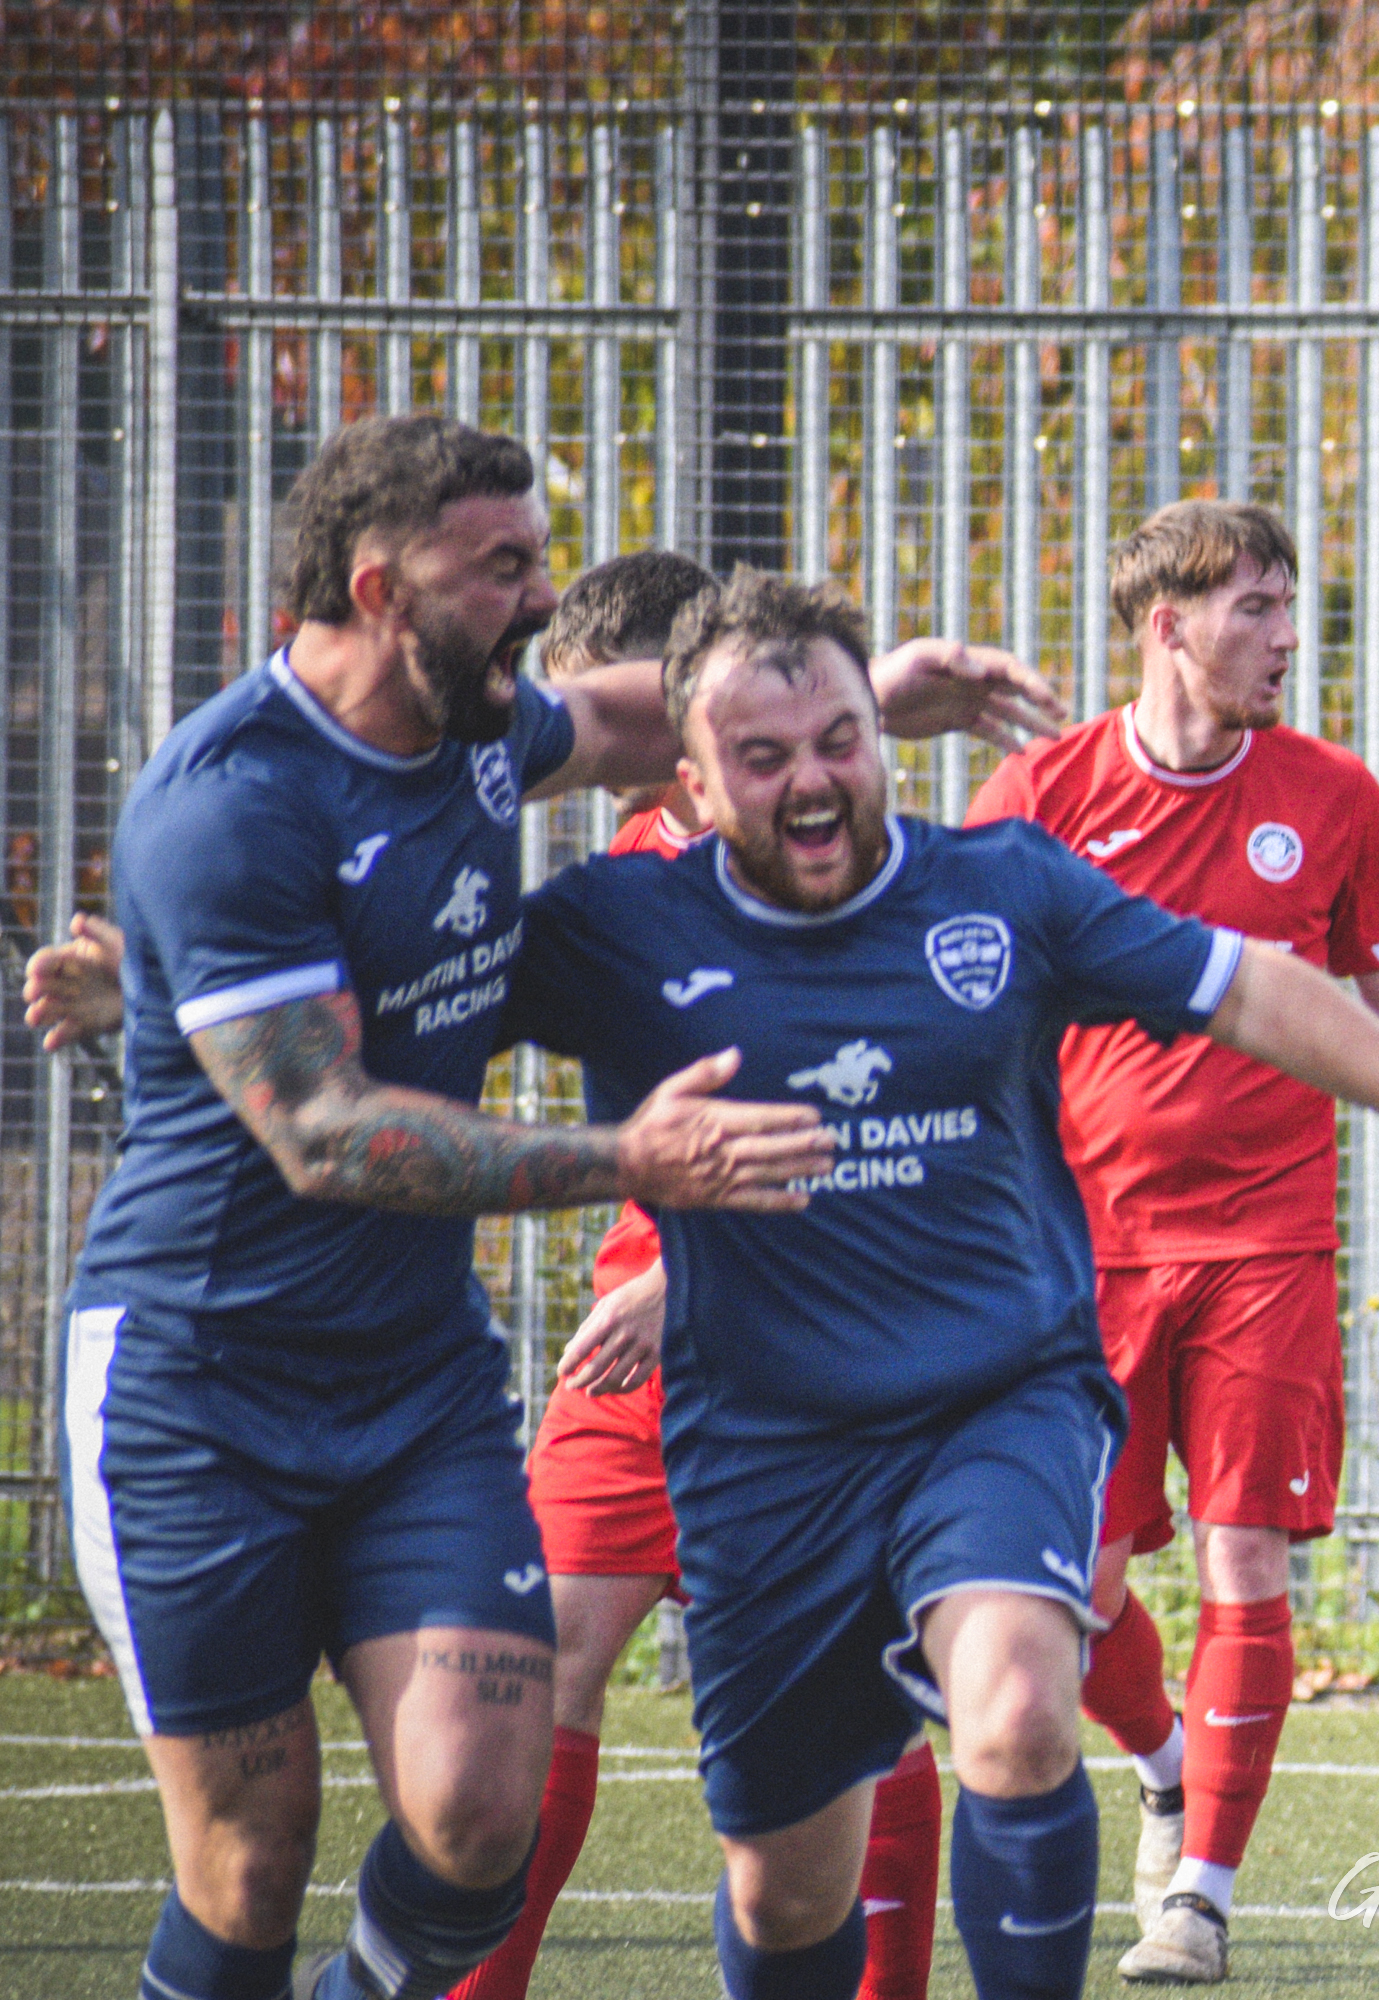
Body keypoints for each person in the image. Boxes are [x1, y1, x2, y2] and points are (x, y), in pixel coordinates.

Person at [42, 412, 1047, 2000]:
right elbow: (321, 1133)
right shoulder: (231, 803)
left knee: (476, 1810)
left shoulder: (477, 727)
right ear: (380, 589)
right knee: (249, 1858)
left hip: (411, 1382)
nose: (536, 596)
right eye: (499, 567)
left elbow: (640, 720)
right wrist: (624, 1164)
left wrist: (874, 697)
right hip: (193, 1386)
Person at [493, 570, 1379, 2000]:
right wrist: (184, 976)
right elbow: (389, 988)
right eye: (763, 759)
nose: (813, 781)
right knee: (785, 1885)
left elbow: (1255, 986)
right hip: (765, 1442)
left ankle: (1167, 1858)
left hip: (993, 1403)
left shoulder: (998, 887)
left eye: (841, 739)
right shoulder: (620, 922)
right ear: (689, 780)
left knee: (1013, 1712)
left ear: (880, 731)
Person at [965, 499, 1379, 1983]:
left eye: (1289, 604)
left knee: (1246, 1556)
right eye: (1253, 607)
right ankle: (1164, 1753)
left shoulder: (1332, 795)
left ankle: (1197, 1893)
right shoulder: (1040, 794)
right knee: (1086, 1588)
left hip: (1270, 1244)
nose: (1282, 636)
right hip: (1079, 1259)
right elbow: (951, 1004)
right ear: (1168, 625)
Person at [448, 551, 978, 2000]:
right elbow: (417, 1015)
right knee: (542, 1649)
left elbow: (891, 1140)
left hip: (818, 1349)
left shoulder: (855, 871)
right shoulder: (623, 879)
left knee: (872, 1697)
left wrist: (699, 1279)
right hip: (639, 1363)